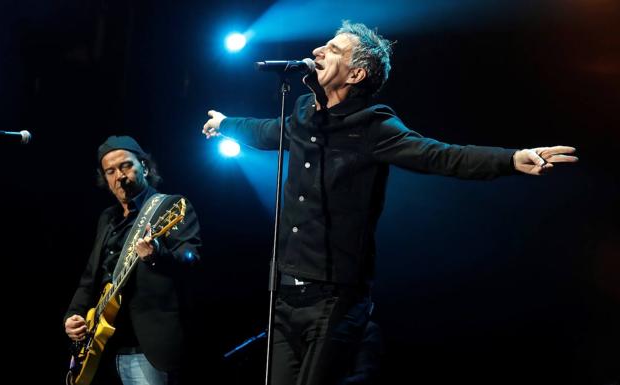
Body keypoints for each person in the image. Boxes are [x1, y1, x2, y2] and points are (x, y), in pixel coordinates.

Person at [201, 20, 578, 385]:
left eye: (333, 49)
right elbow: (267, 131)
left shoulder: (373, 126)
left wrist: (511, 159)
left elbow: (441, 155)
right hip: (283, 293)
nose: (317, 50)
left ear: (356, 75)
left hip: (335, 297)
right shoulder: (301, 111)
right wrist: (226, 123)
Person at [64, 135, 202, 385]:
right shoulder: (107, 218)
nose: (120, 176)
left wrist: (156, 256)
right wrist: (73, 316)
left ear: (145, 167)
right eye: (111, 171)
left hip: (146, 348)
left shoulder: (169, 206)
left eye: (126, 165)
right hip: (103, 348)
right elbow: (89, 277)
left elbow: (191, 261)